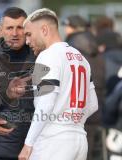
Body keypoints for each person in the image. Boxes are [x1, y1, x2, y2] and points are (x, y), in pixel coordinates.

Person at [18, 8, 98, 160]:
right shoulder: (81, 57)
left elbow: (46, 103)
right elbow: (93, 104)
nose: (27, 41)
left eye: (29, 34)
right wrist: (72, 119)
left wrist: (28, 144)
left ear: (44, 30)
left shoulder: (47, 56)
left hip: (53, 141)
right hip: (79, 140)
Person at [0, 7, 35, 159]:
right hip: (0, 150)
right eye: (9, 28)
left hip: (37, 149)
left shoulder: (42, 60)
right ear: (0, 30)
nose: (14, 33)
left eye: (20, 27)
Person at [63, 15, 106, 160]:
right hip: (95, 109)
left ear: (72, 28)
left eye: (67, 26)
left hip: (74, 112)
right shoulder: (97, 48)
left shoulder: (70, 49)